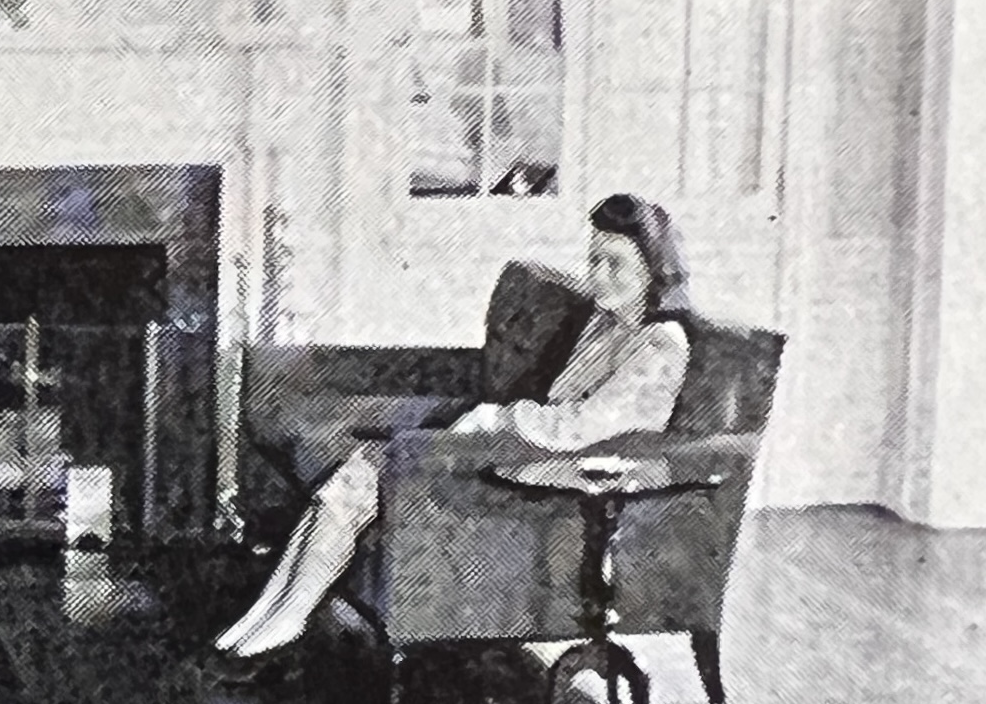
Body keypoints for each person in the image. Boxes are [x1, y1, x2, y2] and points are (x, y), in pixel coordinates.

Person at [214, 193, 696, 669]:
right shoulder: (604, 320)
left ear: (653, 270)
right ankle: (271, 610)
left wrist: (499, 417)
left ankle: (289, 616)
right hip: (534, 455)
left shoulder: (661, 343)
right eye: (594, 260)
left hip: (577, 480)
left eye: (614, 264)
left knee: (367, 477)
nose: (598, 275)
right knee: (359, 472)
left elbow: (582, 426)